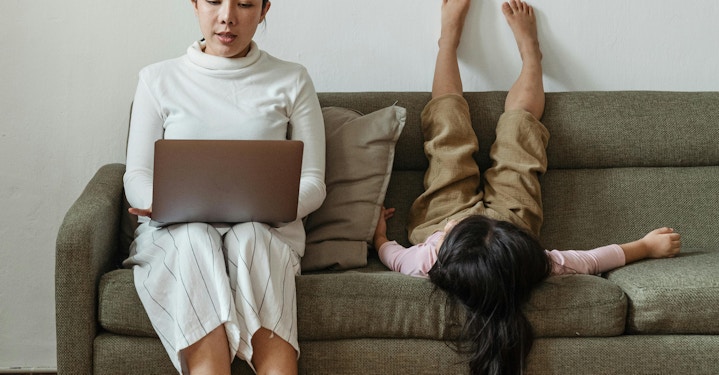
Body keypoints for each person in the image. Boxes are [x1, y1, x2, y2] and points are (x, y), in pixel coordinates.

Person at [372, 0, 682, 374]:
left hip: (437, 223)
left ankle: (447, 43)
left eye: (460, 227)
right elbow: (592, 259)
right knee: (520, 133)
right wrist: (645, 246)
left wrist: (379, 237)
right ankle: (532, 56)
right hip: (511, 223)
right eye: (463, 224)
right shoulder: (528, 262)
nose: (465, 218)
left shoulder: (428, 258)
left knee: (446, 133)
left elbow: (393, 256)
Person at [122, 1, 326, 374]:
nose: (227, 16)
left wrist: (272, 206)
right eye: (214, 1)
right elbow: (136, 176)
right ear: (195, 4)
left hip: (265, 233)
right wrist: (162, 202)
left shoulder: (293, 79)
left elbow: (313, 182)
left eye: (245, 4)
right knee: (196, 239)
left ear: (264, 9)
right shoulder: (157, 79)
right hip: (177, 234)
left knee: (250, 239)